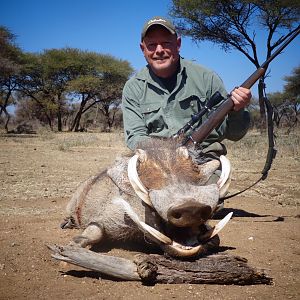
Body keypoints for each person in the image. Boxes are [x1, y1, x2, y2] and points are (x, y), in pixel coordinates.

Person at [121, 16, 251, 161]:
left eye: (166, 43)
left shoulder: (206, 77)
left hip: (203, 159)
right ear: (143, 49)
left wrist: (237, 111)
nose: (159, 50)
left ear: (178, 44)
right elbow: (135, 137)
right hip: (155, 162)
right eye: (152, 45)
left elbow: (234, 135)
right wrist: (167, 152)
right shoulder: (133, 87)